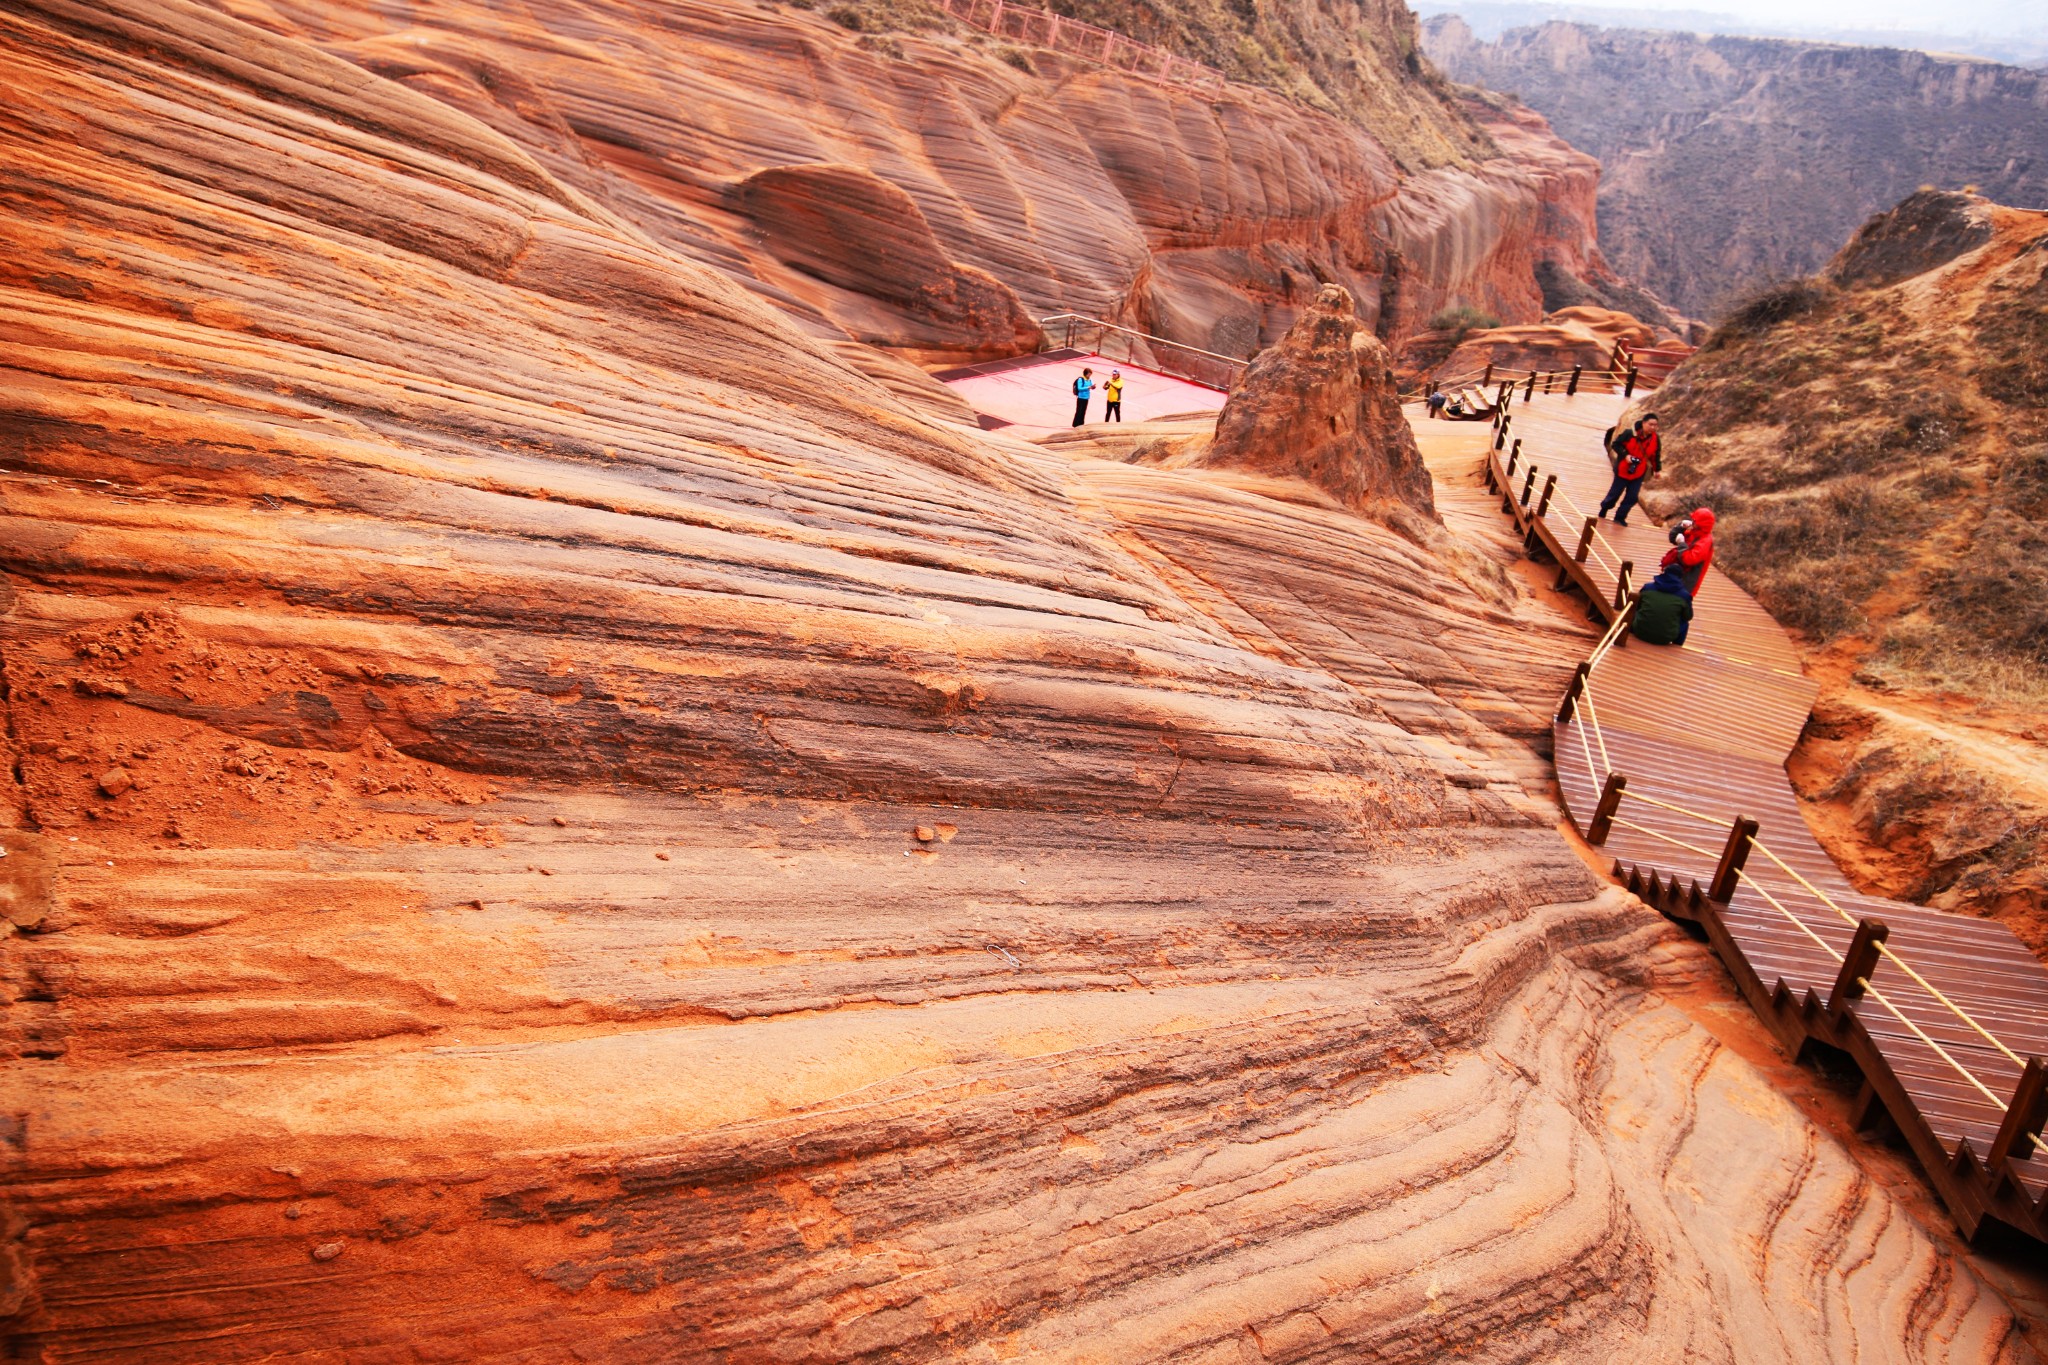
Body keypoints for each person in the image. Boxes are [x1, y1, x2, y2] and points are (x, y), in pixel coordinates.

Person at [1598, 413, 1661, 526]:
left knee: (1632, 497)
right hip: (1623, 468)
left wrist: (1657, 470)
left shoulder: (1655, 439)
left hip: (1639, 471)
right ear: (1643, 423)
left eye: (1655, 425)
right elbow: (1616, 444)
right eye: (1650, 424)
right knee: (1615, 494)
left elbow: (1655, 455)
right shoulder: (1630, 433)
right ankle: (1604, 509)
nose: (1653, 427)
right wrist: (1626, 455)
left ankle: (1620, 517)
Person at [1661, 506, 1716, 597]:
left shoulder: (1705, 541)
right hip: (1676, 576)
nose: (1692, 521)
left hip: (1686, 581)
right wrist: (1681, 526)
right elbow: (1673, 538)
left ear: (1701, 524)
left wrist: (1682, 543)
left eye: (1695, 520)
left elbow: (1689, 559)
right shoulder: (1694, 532)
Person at [1631, 568, 1695, 645]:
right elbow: (1688, 616)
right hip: (1665, 638)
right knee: (1685, 623)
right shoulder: (1684, 595)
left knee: (1635, 610)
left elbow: (1637, 606)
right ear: (1680, 578)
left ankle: (1629, 632)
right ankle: (1677, 646)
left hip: (1639, 631)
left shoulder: (1647, 587)